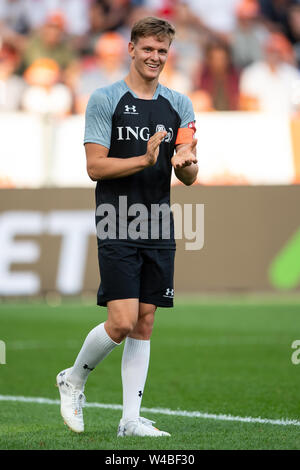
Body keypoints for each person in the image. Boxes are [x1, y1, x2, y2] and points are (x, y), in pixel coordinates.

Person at [56, 16, 198, 437]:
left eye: (162, 51)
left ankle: (130, 421)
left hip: (157, 220)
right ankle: (73, 379)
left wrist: (185, 164)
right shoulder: (104, 99)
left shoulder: (180, 105)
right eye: (149, 49)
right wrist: (145, 158)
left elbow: (188, 170)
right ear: (131, 49)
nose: (155, 57)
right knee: (121, 320)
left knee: (145, 320)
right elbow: (94, 166)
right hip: (117, 218)